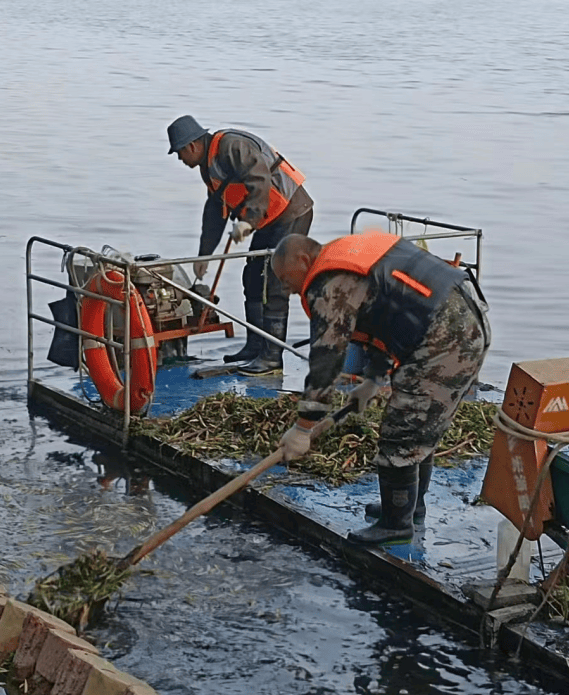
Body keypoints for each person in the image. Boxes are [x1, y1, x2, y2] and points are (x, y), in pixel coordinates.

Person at [271, 231, 491, 545]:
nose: (286, 289)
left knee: (402, 430)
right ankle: (410, 508)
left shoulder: (329, 282)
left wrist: (303, 427)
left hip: (448, 336)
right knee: (419, 426)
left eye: (284, 278)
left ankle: (396, 524)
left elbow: (327, 359)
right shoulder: (350, 256)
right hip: (464, 317)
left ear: (303, 260)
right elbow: (386, 318)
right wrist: (374, 378)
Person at [166, 115, 314, 375]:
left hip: (291, 211)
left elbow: (259, 179)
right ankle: (255, 345)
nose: (180, 160)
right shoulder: (207, 164)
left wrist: (248, 221)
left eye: (179, 154)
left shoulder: (231, 147)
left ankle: (272, 357)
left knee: (275, 280)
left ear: (191, 146)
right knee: (252, 276)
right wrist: (204, 256)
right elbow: (214, 211)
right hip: (267, 219)